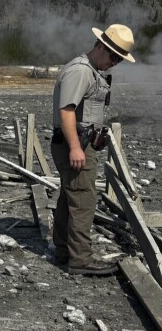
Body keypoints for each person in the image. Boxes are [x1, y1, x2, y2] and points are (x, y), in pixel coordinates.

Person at [51, 24, 135, 275]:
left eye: (119, 59)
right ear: (100, 46)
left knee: (71, 197)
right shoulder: (81, 71)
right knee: (84, 199)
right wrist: (76, 147)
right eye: (113, 56)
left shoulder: (90, 71)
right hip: (74, 144)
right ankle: (81, 260)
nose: (115, 62)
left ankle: (65, 251)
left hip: (78, 142)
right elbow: (66, 110)